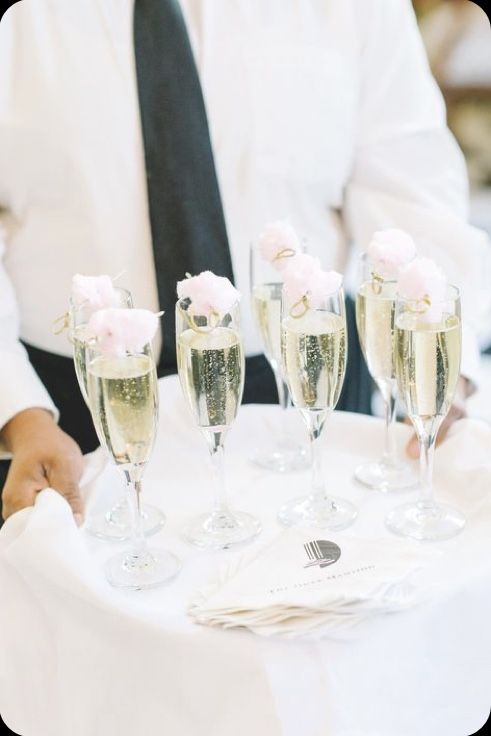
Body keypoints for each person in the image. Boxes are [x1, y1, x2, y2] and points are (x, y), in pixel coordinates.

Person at [0, 0, 489, 524]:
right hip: (64, 416)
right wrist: (18, 413)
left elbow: (411, 191)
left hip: (312, 393)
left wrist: (442, 372)